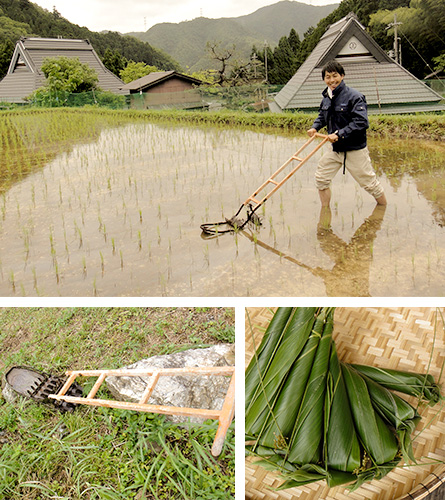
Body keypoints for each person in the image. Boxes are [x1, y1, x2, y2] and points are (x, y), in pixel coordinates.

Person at [307, 60, 387, 207]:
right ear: (324, 79)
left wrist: (339, 133)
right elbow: (322, 116)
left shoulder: (355, 97)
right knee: (321, 178)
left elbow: (361, 122)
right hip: (335, 149)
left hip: (354, 149)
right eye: (328, 77)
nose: (332, 80)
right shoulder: (326, 97)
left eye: (334, 76)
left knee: (370, 184)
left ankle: (383, 209)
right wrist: (315, 128)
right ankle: (325, 211)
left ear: (342, 76)